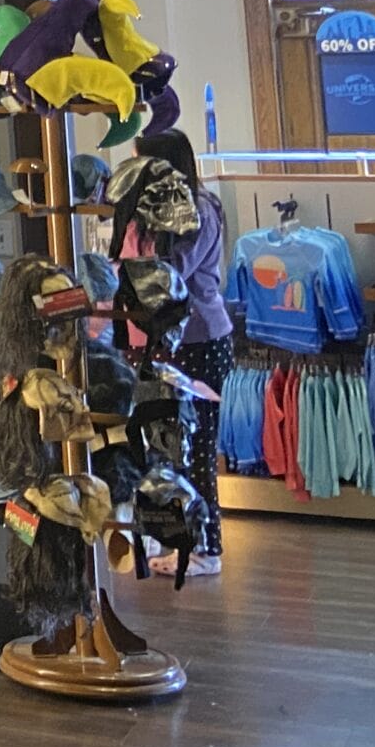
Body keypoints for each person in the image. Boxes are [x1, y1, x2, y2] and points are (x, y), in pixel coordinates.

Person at [137, 128, 231, 576]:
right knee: (165, 445)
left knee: (196, 447)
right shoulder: (174, 209)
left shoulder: (198, 211)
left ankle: (208, 548)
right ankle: (173, 538)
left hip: (201, 339)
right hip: (174, 340)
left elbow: (171, 275)